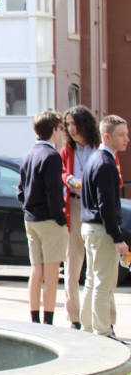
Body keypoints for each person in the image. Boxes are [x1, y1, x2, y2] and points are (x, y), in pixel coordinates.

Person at [79, 114, 131, 343]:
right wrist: (117, 237)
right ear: (107, 136)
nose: (126, 139)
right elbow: (106, 205)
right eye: (122, 135)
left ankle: (89, 328)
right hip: (100, 230)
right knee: (104, 282)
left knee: (92, 280)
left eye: (127, 134)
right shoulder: (106, 163)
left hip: (90, 227)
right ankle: (103, 333)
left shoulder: (95, 159)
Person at [17, 111, 68, 325]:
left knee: (36, 270)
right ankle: (48, 320)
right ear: (54, 130)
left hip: (31, 218)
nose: (61, 133)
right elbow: (53, 191)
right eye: (60, 128)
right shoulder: (52, 156)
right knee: (52, 272)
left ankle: (35, 318)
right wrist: (61, 218)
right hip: (49, 219)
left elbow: (20, 191)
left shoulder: (29, 154)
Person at [61, 106, 109, 330]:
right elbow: (61, 170)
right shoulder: (67, 150)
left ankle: (105, 317)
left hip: (95, 205)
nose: (71, 129)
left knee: (98, 263)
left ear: (85, 124)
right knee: (73, 262)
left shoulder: (100, 148)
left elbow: (113, 176)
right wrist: (67, 178)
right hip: (74, 205)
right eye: (67, 125)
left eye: (74, 124)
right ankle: (74, 317)